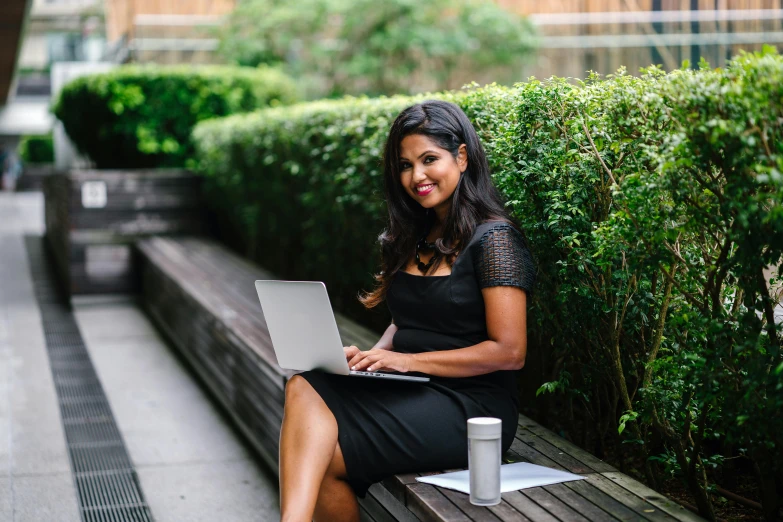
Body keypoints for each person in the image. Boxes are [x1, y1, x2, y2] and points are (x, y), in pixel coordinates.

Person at [278, 100, 536, 522]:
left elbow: (510, 351)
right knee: (304, 384)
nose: (416, 176)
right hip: (410, 388)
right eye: (405, 165)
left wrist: (405, 361)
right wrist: (371, 360)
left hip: (472, 409)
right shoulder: (416, 235)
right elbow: (407, 321)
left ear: (463, 156)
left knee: (320, 454)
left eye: (429, 159)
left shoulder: (496, 240)